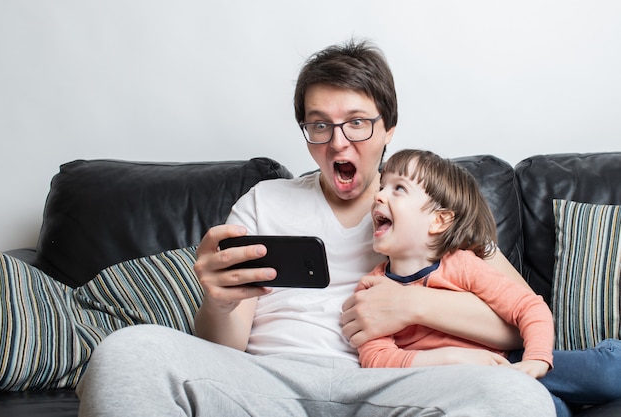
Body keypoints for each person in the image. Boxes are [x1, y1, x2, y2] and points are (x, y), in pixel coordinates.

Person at [76, 39, 555, 416]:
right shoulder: (263, 202)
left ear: (389, 127)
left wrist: (416, 303)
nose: (337, 142)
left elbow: (517, 325)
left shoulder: (431, 210)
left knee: (519, 400)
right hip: (266, 382)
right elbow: (223, 349)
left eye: (357, 123)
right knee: (127, 354)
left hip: (392, 384)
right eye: (319, 125)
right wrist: (219, 302)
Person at [357, 148, 621, 417]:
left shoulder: (462, 264)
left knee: (610, 373)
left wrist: (537, 360)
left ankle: (607, 354)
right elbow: (376, 359)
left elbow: (529, 307)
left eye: (398, 188)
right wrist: (450, 359)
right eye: (381, 186)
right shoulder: (371, 288)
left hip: (510, 362)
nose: (378, 195)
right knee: (550, 409)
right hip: (459, 386)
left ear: (438, 220)